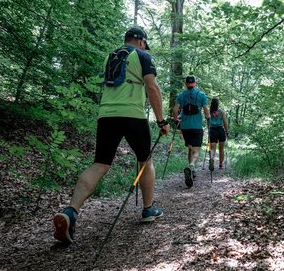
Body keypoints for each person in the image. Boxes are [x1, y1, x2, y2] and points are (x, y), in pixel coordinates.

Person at [53, 27, 170, 244]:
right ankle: (148, 210)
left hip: (106, 115)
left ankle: (71, 212)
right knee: (145, 161)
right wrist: (161, 121)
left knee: (100, 164)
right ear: (142, 42)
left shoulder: (110, 56)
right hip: (132, 116)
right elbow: (152, 88)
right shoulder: (143, 56)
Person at [172, 76, 210, 188]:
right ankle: (191, 166)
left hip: (185, 127)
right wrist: (208, 118)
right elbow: (206, 110)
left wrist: (176, 119)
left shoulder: (181, 96)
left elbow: (175, 110)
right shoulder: (201, 95)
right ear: (195, 83)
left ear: (185, 84)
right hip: (197, 127)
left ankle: (191, 170)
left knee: (190, 148)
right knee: (196, 150)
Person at [208, 98, 229, 170]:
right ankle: (220, 164)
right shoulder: (221, 112)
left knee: (213, 148)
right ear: (218, 104)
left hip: (212, 130)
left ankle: (211, 159)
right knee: (221, 149)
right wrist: (227, 131)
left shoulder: (209, 112)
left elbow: (208, 122)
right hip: (220, 130)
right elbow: (225, 123)